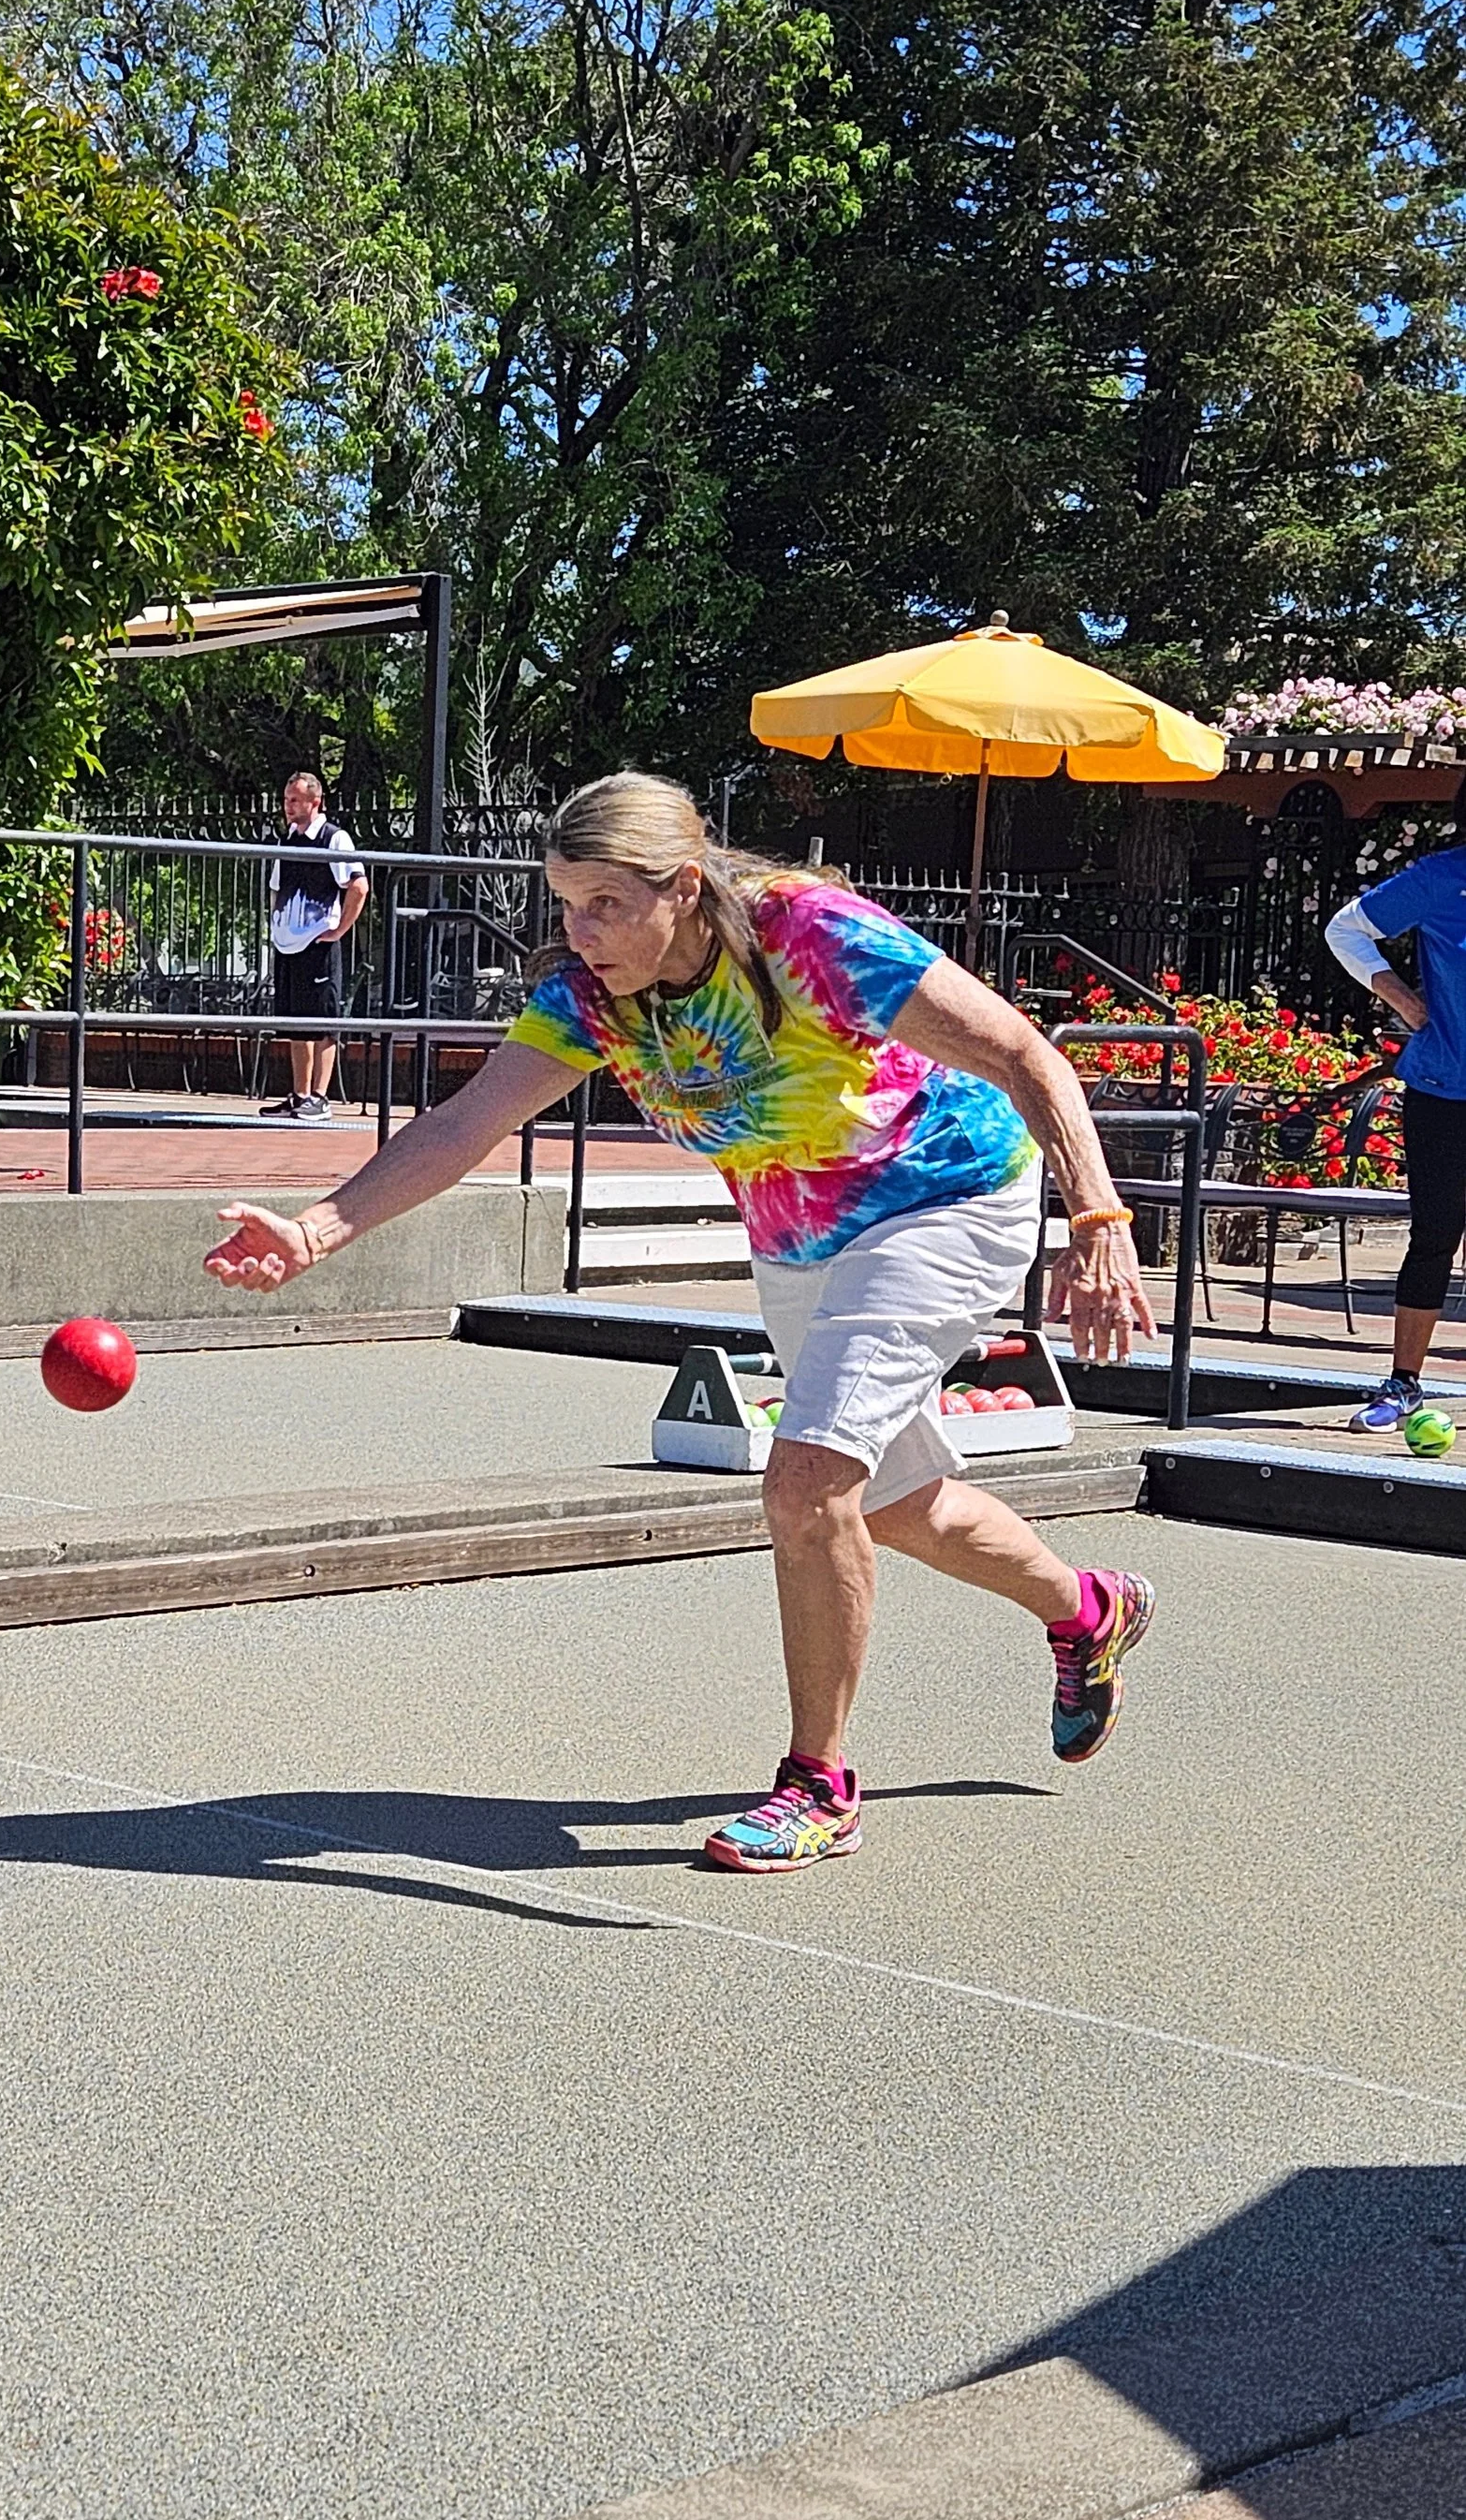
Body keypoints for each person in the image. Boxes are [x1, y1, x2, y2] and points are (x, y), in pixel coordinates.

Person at [205, 771, 1157, 1873]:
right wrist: (314, 1231)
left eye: (606, 904)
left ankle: (818, 1787)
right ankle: (1086, 1608)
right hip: (798, 1236)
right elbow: (466, 1123)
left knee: (806, 1483)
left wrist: (1096, 1217)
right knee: (889, 1501)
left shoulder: (809, 935)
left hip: (943, 1198)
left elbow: (1025, 1055)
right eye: (567, 903)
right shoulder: (588, 1000)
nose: (580, 932)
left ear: (685, 888)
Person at [1322, 844, 1466, 1432]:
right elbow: (1344, 930)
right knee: (1435, 1235)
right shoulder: (1442, 877)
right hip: (1444, 1089)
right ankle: (1403, 1383)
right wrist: (1403, 1000)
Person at [264, 772, 368, 1122]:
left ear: (315, 802)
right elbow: (276, 887)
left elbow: (358, 886)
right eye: (286, 799)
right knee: (296, 1022)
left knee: (322, 1020)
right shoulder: (286, 840)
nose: (288, 806)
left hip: (318, 942)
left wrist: (339, 930)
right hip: (289, 943)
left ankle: (320, 1098)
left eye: (295, 800)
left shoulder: (334, 838)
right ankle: (300, 1095)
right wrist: (277, 924)